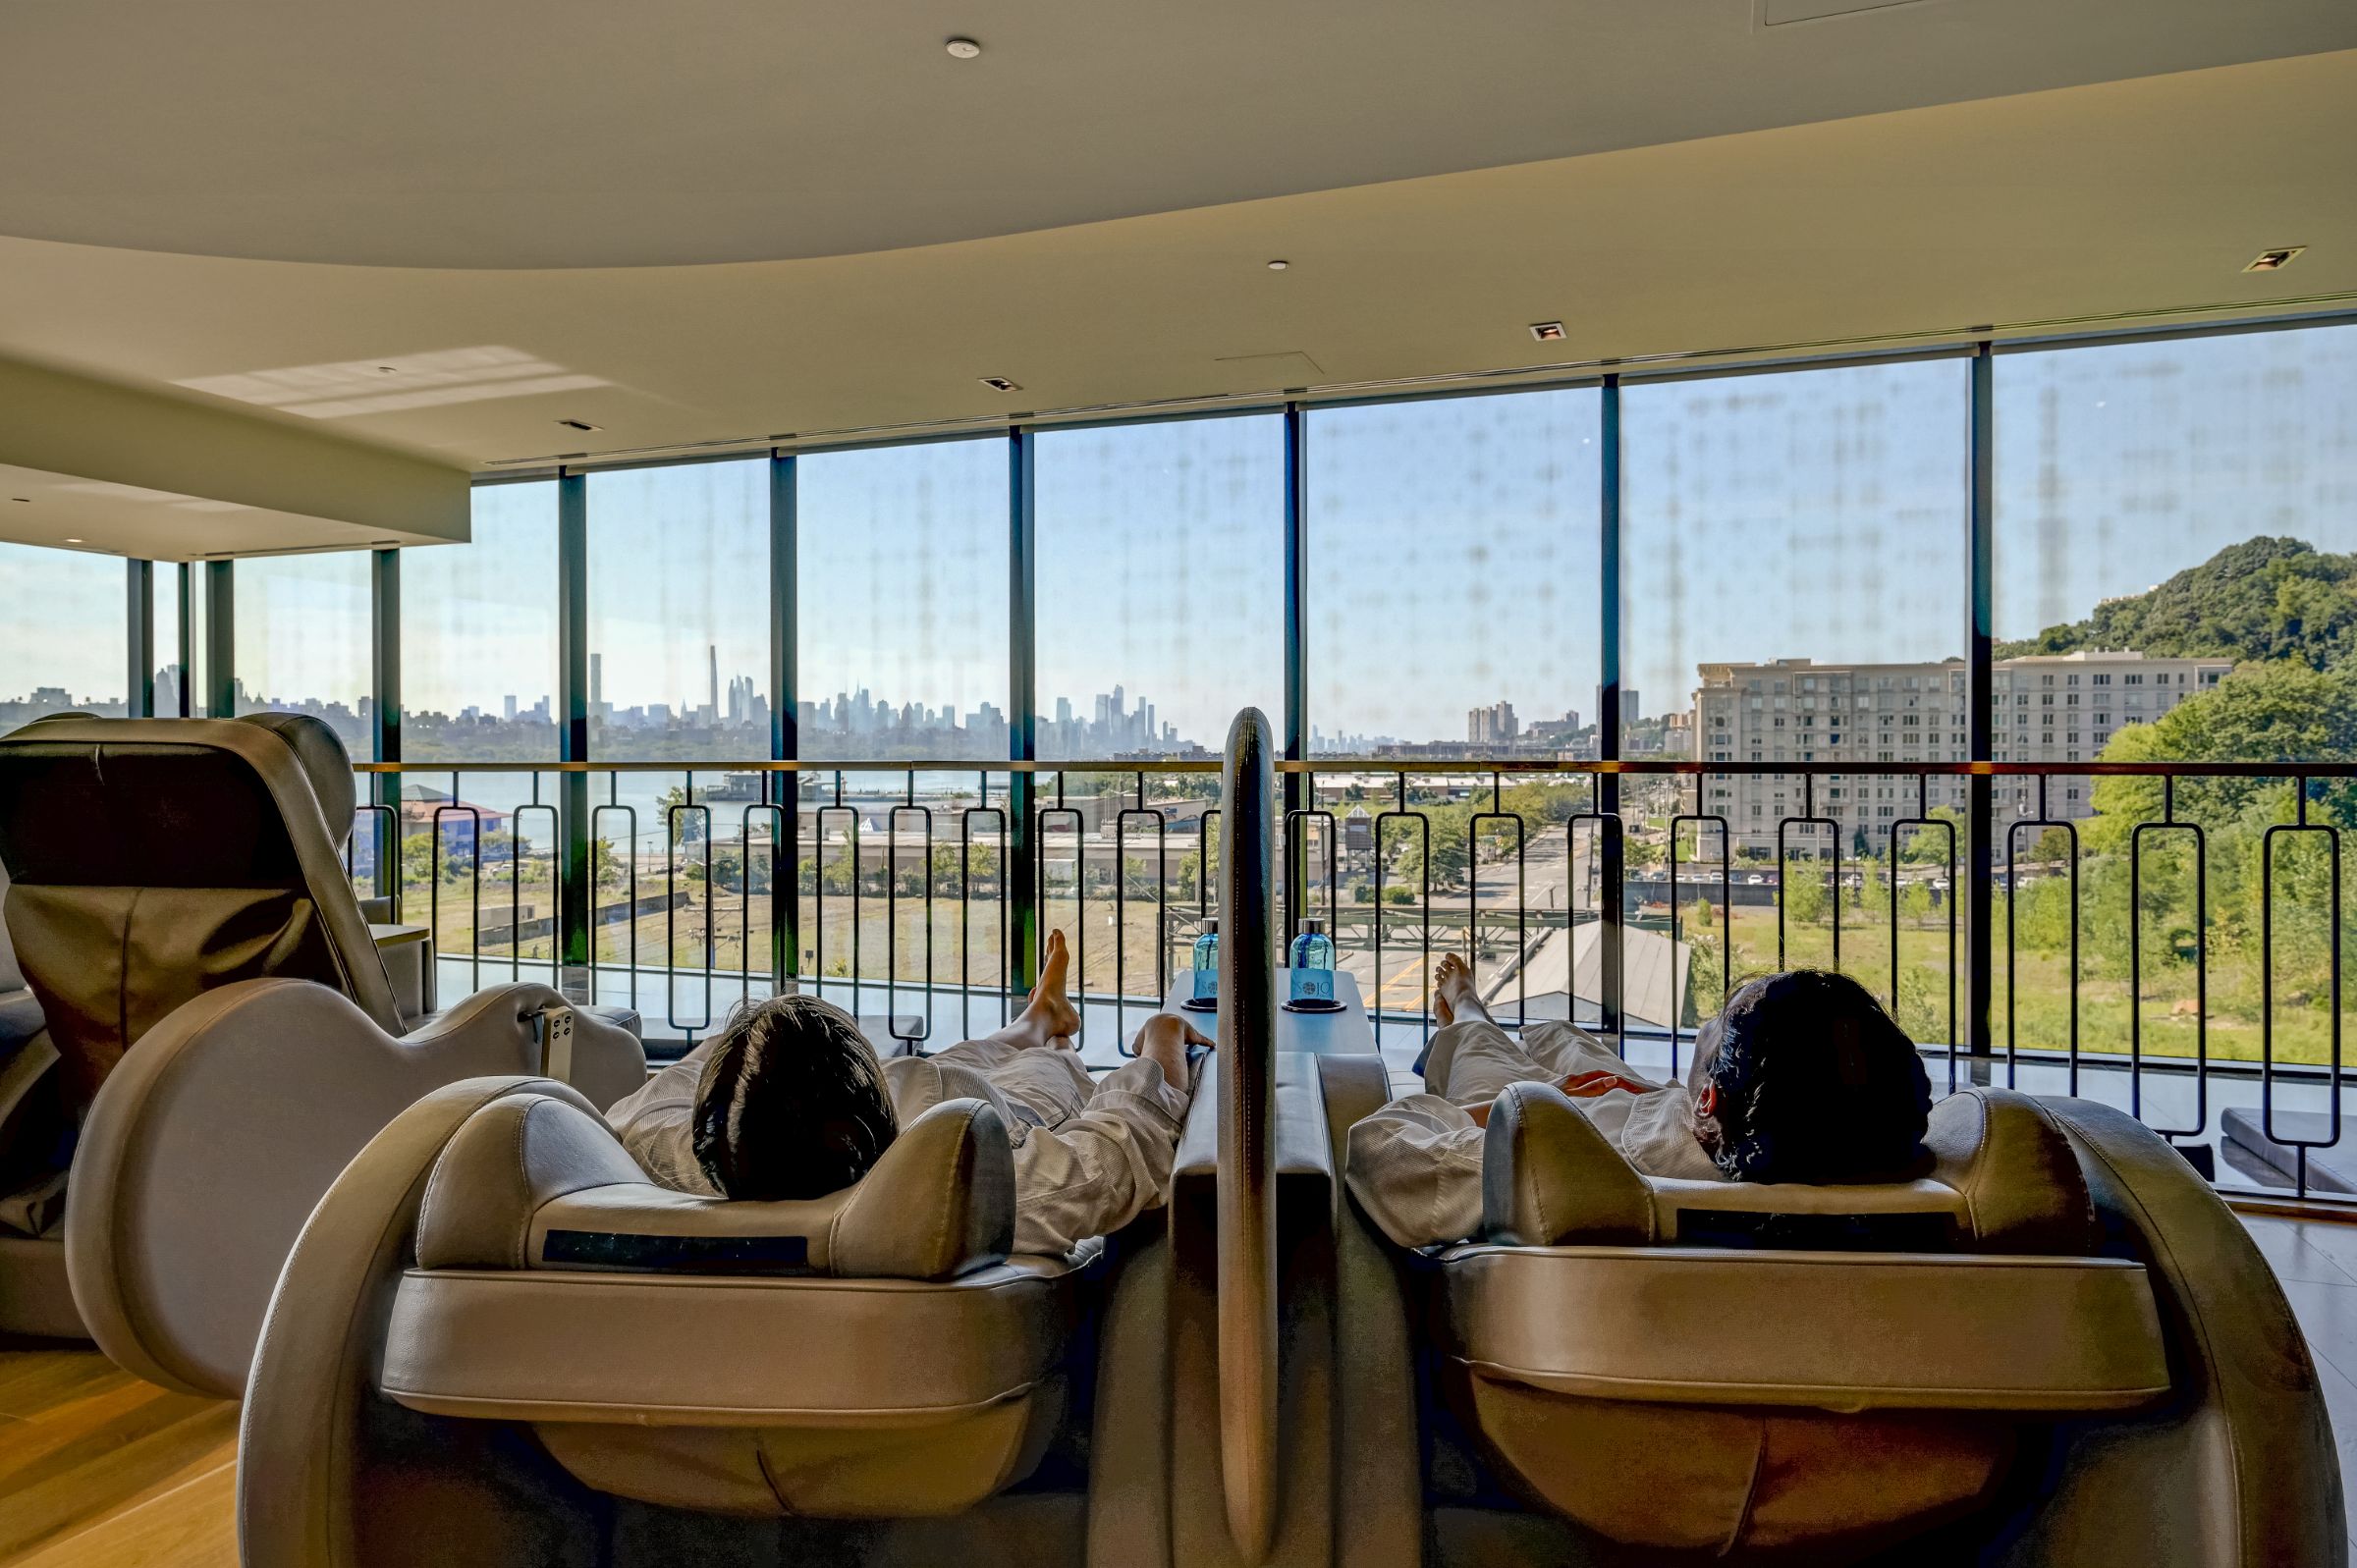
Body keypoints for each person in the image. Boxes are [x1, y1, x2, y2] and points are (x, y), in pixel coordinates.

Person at [607, 930, 1212, 1256]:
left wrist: (760, 1042)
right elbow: (1123, 1142)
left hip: (886, 1101)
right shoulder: (964, 1193)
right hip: (980, 1110)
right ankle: (1044, 1028)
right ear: (872, 1107)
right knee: (1045, 1069)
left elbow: (684, 1076)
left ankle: (1036, 1017)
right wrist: (1160, 1038)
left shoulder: (675, 1156)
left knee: (958, 1060)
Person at [1345, 953, 1933, 1250]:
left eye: (1716, 1023)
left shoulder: (1574, 1170)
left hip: (1576, 1123)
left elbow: (1383, 1152)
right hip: (1646, 1110)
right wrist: (1655, 1098)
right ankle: (1500, 1032)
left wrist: (1535, 1102)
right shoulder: (1858, 1145)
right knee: (1560, 1034)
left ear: (1709, 1097)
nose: (1706, 1025)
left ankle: (1466, 1008)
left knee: (1482, 1048)